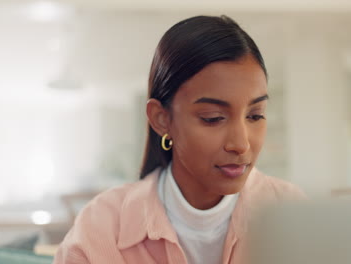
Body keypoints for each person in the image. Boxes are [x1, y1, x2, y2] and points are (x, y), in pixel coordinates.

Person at [53, 15, 304, 264]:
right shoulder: (101, 227)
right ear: (162, 119)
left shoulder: (295, 214)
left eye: (255, 115)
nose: (241, 144)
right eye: (213, 118)